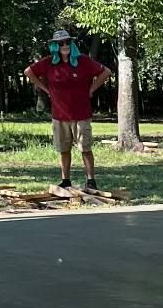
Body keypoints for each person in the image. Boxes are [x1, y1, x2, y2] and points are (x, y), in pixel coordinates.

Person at [23, 27, 112, 193]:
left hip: (81, 113)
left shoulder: (83, 61)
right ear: (55, 46)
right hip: (59, 115)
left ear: (71, 44)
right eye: (60, 43)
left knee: (85, 148)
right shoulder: (49, 62)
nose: (64, 45)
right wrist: (45, 89)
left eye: (67, 42)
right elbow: (28, 72)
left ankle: (91, 180)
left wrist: (91, 89)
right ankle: (65, 180)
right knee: (63, 149)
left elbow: (106, 72)